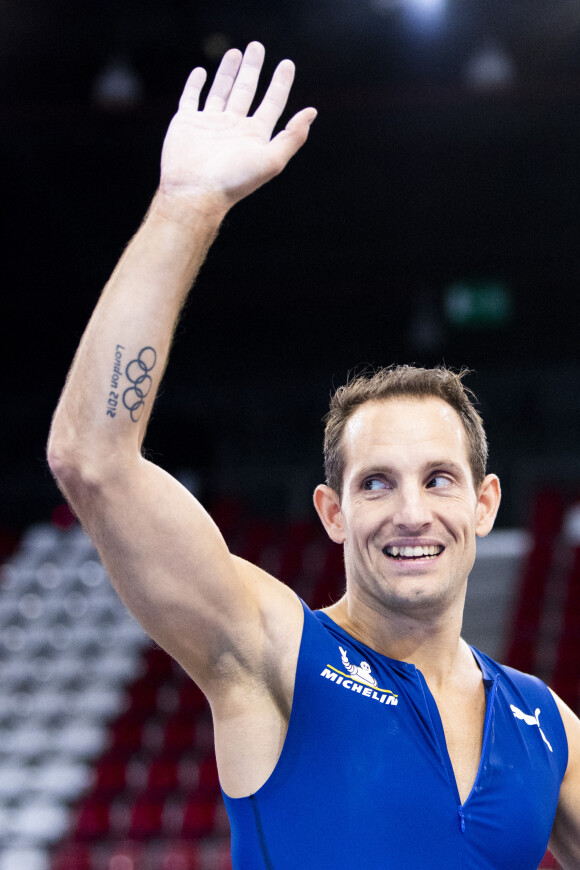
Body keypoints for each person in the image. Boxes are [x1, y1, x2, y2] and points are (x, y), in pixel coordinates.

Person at [47, 42, 580, 868]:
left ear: (485, 503)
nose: (411, 511)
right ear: (332, 513)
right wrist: (187, 207)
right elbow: (93, 460)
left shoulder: (544, 725)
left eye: (439, 478)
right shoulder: (269, 650)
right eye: (376, 483)